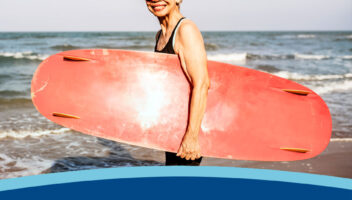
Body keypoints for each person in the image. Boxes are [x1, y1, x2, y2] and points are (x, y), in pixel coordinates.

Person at [145, 0, 210, 166]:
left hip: (188, 131)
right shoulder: (160, 35)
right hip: (174, 128)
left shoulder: (186, 30)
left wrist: (192, 137)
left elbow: (202, 84)